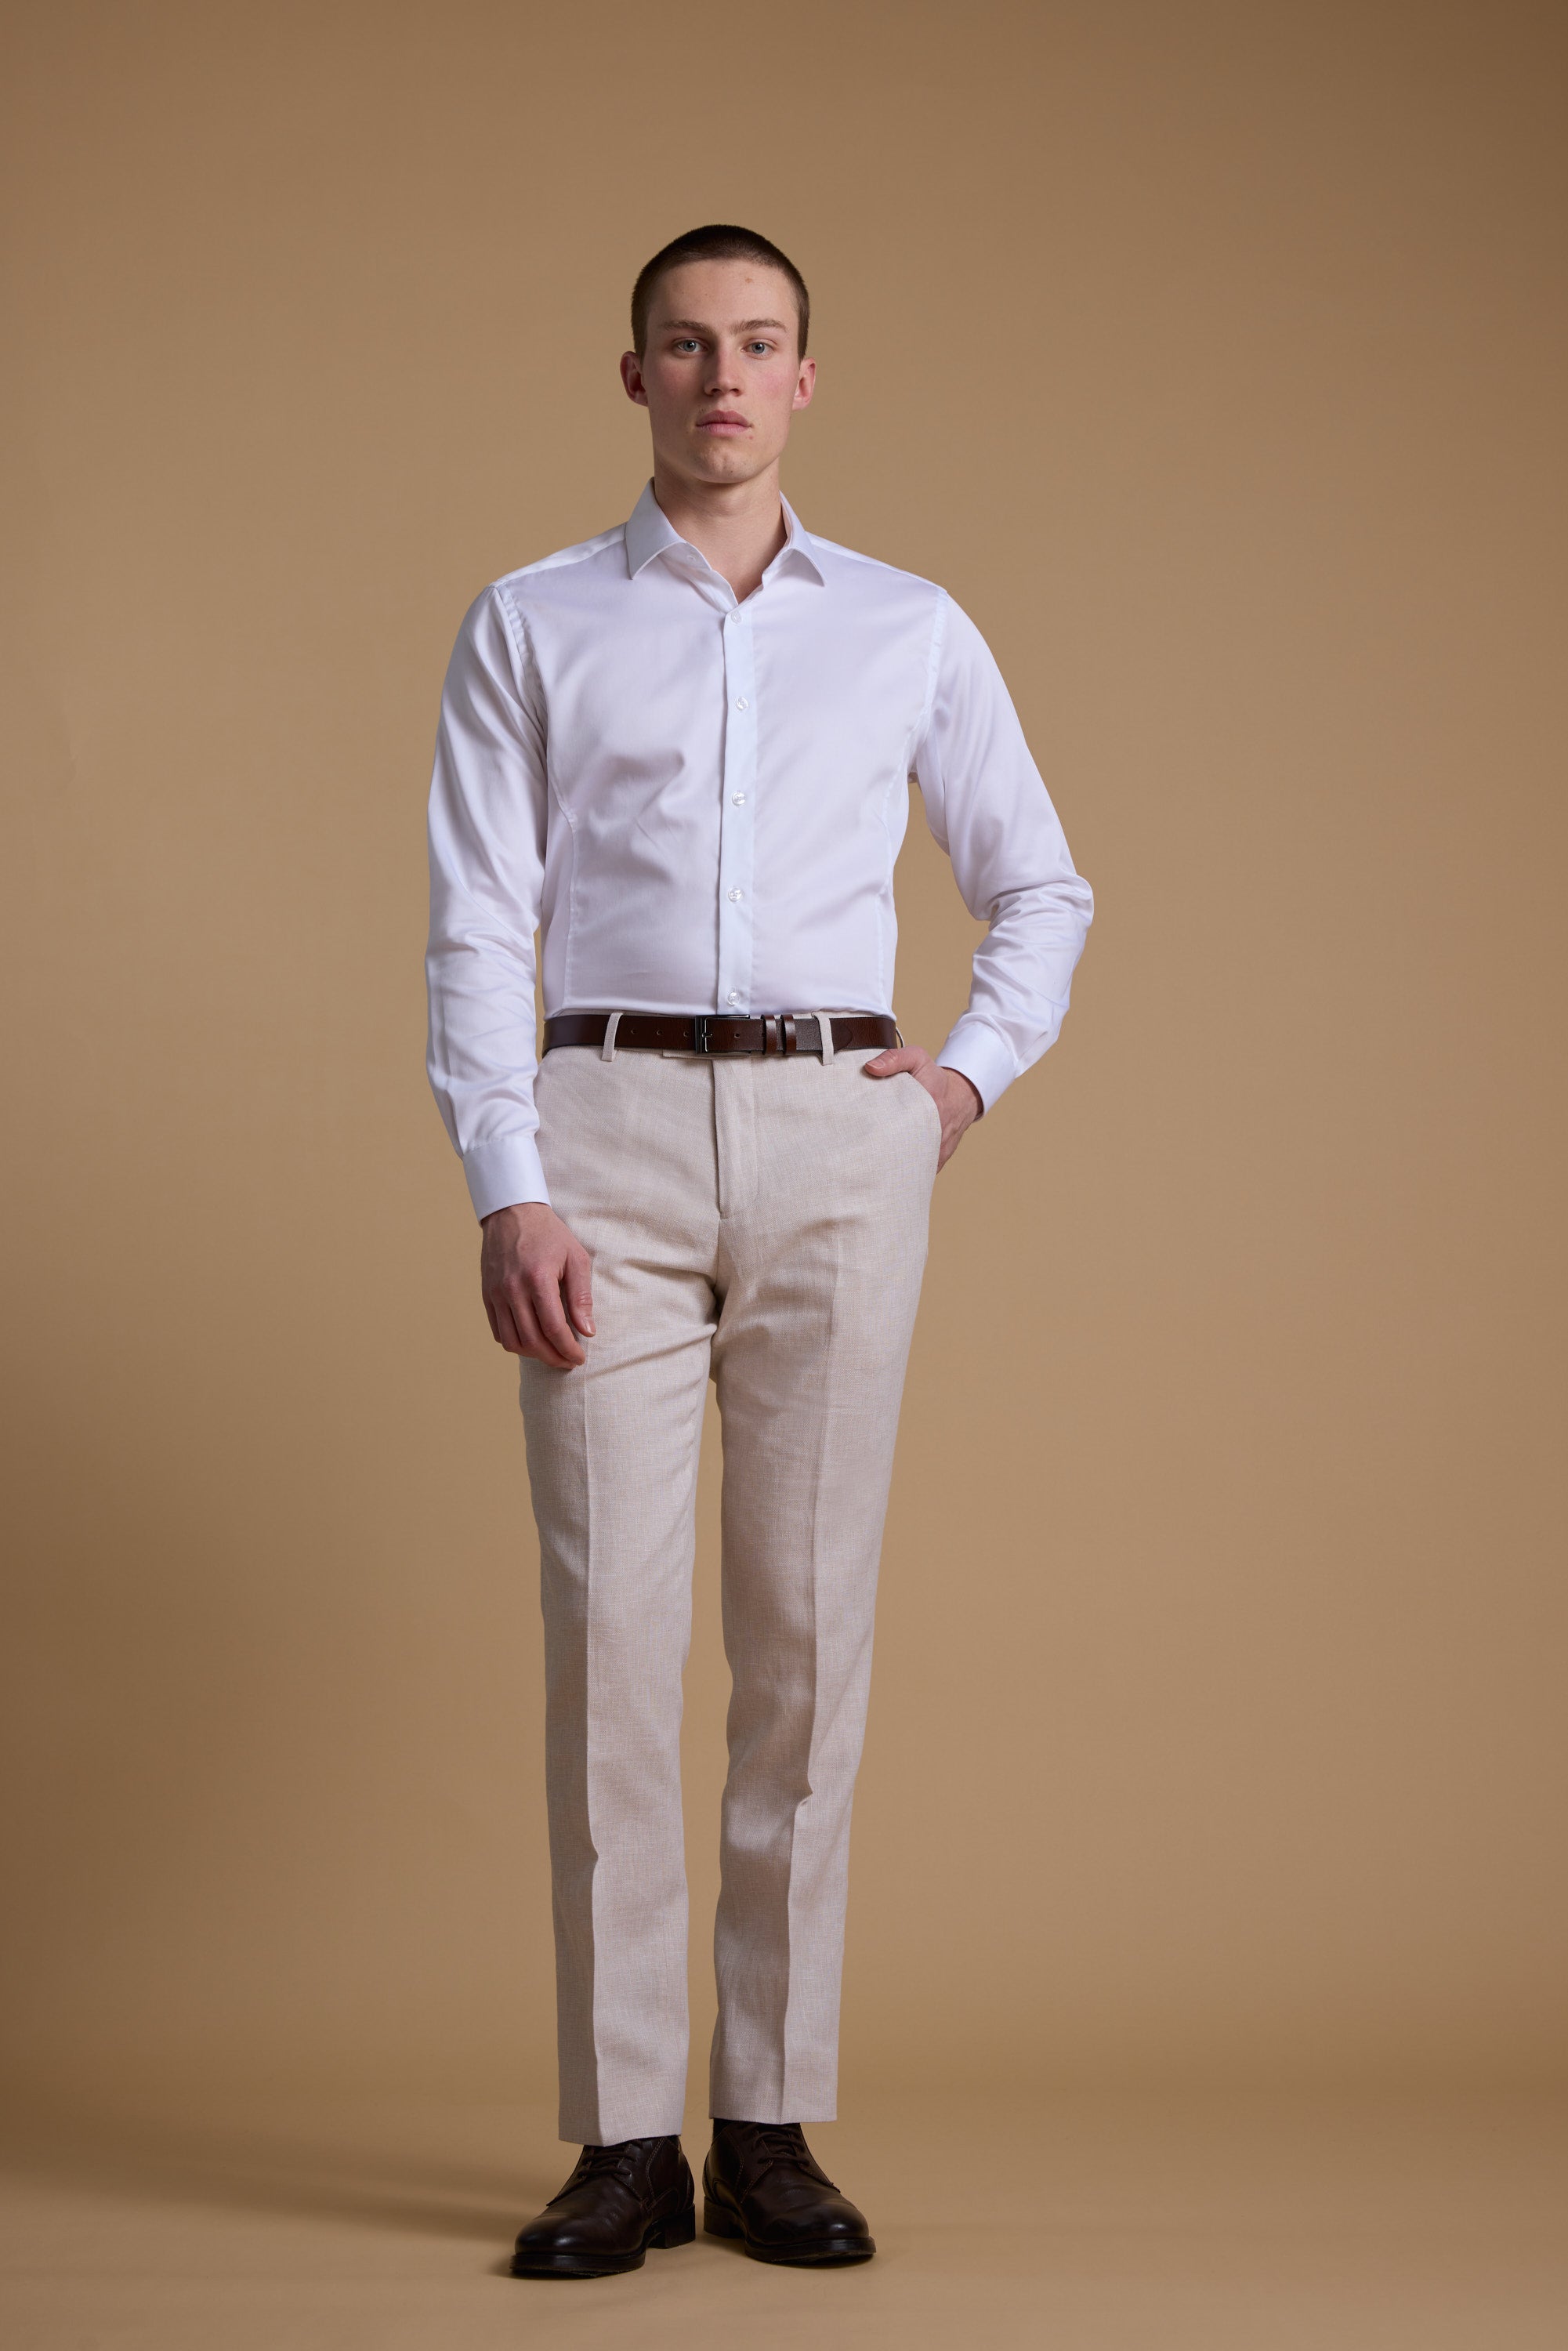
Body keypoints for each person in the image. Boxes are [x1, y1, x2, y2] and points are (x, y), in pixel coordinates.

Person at [424, 223, 1092, 2280]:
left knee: (802, 1647)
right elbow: (476, 920)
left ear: (807, 380)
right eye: (686, 346)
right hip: (602, 1135)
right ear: (628, 376)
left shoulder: (903, 627)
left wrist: (952, 1089)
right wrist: (506, 1182)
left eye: (761, 345)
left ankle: (765, 2120)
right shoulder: (532, 620)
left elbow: (1037, 890)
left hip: (832, 1138)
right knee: (611, 1653)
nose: (723, 376)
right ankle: (624, 2141)